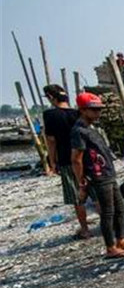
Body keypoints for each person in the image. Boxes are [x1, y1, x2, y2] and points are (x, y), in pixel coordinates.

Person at [71, 93, 124, 258]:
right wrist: (82, 182)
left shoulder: (90, 128)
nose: (98, 113)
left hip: (107, 173)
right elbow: (76, 159)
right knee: (107, 212)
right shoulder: (79, 131)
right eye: (94, 110)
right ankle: (110, 247)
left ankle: (120, 239)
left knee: (120, 207)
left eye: (99, 110)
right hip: (98, 176)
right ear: (82, 110)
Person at [42, 84, 90, 239]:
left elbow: (51, 140)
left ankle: (85, 229)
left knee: (77, 196)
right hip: (86, 156)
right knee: (96, 192)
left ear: (51, 97)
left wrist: (52, 161)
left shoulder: (50, 115)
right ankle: (107, 225)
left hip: (66, 159)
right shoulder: (78, 113)